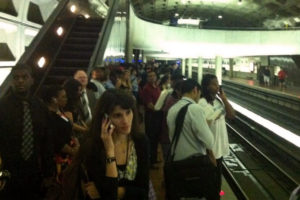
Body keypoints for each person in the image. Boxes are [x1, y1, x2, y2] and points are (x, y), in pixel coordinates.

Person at [72, 89, 150, 200]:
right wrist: (109, 150)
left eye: (128, 112)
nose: (126, 121)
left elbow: (143, 192)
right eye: (118, 115)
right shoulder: (93, 146)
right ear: (105, 118)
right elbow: (109, 196)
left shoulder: (140, 141)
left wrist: (111, 191)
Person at [0, 64, 55, 199]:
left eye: (24, 77)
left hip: (35, 170)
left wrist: (49, 172)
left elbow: (47, 142)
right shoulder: (2, 107)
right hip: (8, 169)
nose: (20, 81)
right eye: (16, 78)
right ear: (12, 80)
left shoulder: (40, 107)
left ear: (32, 80)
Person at [167, 78, 217, 199]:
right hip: (194, 165)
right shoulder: (195, 109)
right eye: (199, 93)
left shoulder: (172, 109)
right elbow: (209, 142)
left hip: (177, 163)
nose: (199, 97)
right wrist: (207, 124)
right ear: (195, 90)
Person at [199, 74, 235, 195]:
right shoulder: (202, 103)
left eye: (217, 83)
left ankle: (217, 194)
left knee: (217, 181)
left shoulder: (218, 101)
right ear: (207, 86)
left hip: (220, 148)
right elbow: (203, 129)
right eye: (214, 84)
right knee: (210, 183)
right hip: (210, 151)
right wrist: (210, 152)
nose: (217, 86)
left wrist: (224, 99)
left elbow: (231, 115)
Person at [41, 85, 80, 180]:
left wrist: (76, 143)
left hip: (70, 152)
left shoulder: (60, 111)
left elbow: (69, 128)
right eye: (63, 97)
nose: (66, 99)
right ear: (54, 99)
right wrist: (73, 151)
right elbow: (56, 140)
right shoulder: (49, 117)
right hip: (60, 159)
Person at [142, 71, 161, 167]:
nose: (152, 77)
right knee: (151, 138)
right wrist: (160, 108)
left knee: (156, 138)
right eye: (149, 76)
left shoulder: (157, 87)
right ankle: (151, 161)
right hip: (151, 116)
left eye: (153, 75)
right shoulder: (146, 89)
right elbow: (150, 105)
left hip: (157, 116)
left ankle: (154, 159)